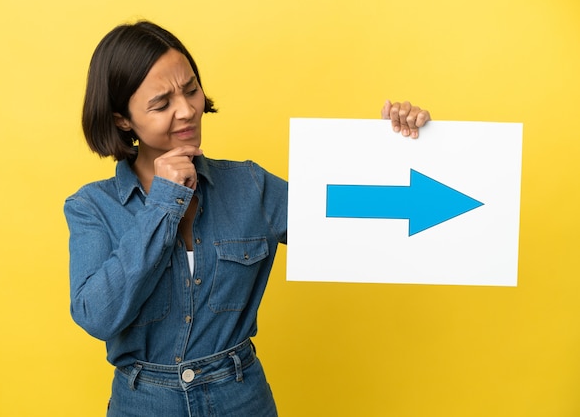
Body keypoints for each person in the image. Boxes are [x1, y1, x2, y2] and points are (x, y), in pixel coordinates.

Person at [64, 20, 431, 417]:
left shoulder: (250, 186)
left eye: (191, 90)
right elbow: (97, 316)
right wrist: (165, 204)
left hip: (240, 399)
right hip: (143, 403)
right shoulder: (91, 207)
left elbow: (353, 221)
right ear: (122, 119)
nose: (187, 111)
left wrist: (396, 148)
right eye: (161, 104)